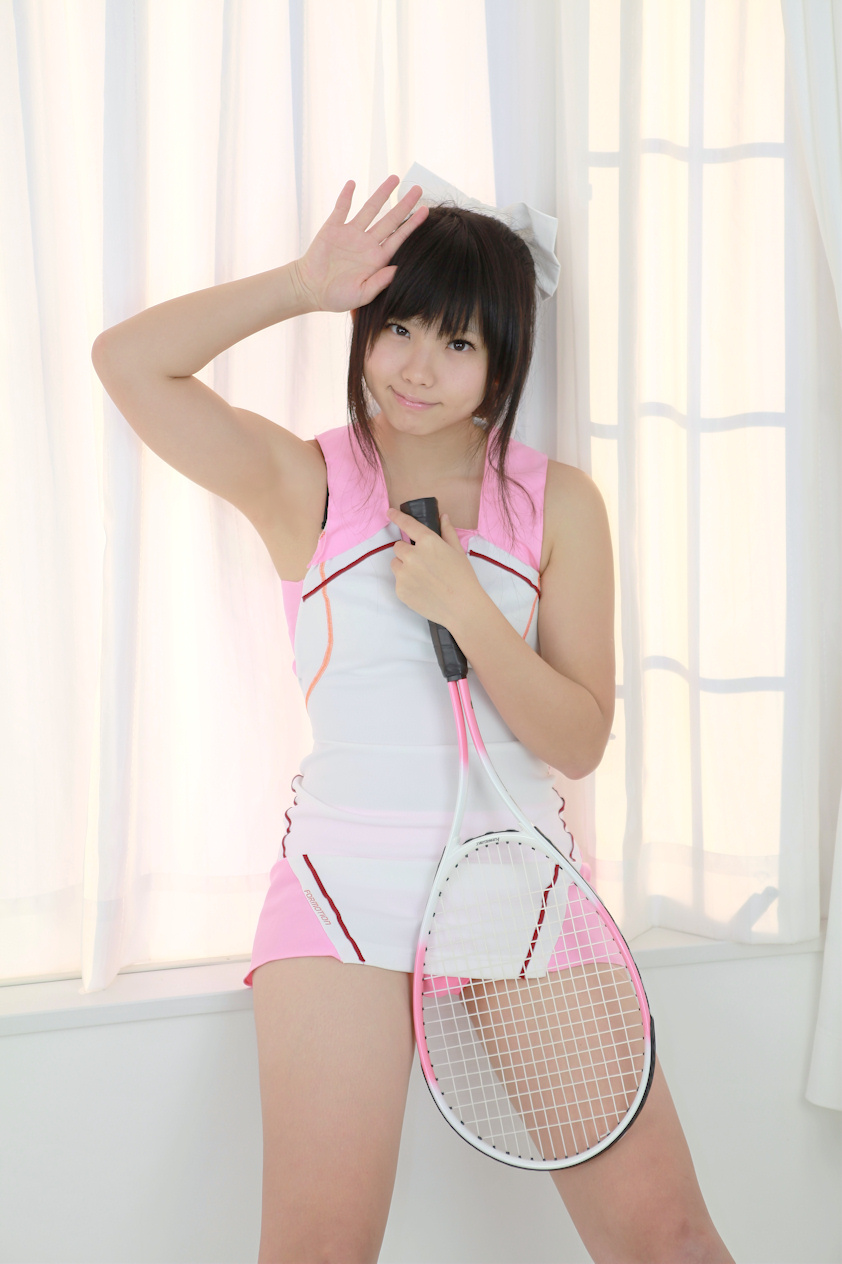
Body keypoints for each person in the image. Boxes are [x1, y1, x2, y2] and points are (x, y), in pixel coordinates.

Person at [91, 171, 734, 1264]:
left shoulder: (559, 503)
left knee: (667, 1238)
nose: (416, 368)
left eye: (457, 342)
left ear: (502, 365)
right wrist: (300, 285)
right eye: (396, 329)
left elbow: (578, 739)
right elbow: (127, 362)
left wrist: (468, 610)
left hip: (521, 883)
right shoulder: (304, 481)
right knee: (318, 1249)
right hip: (344, 889)